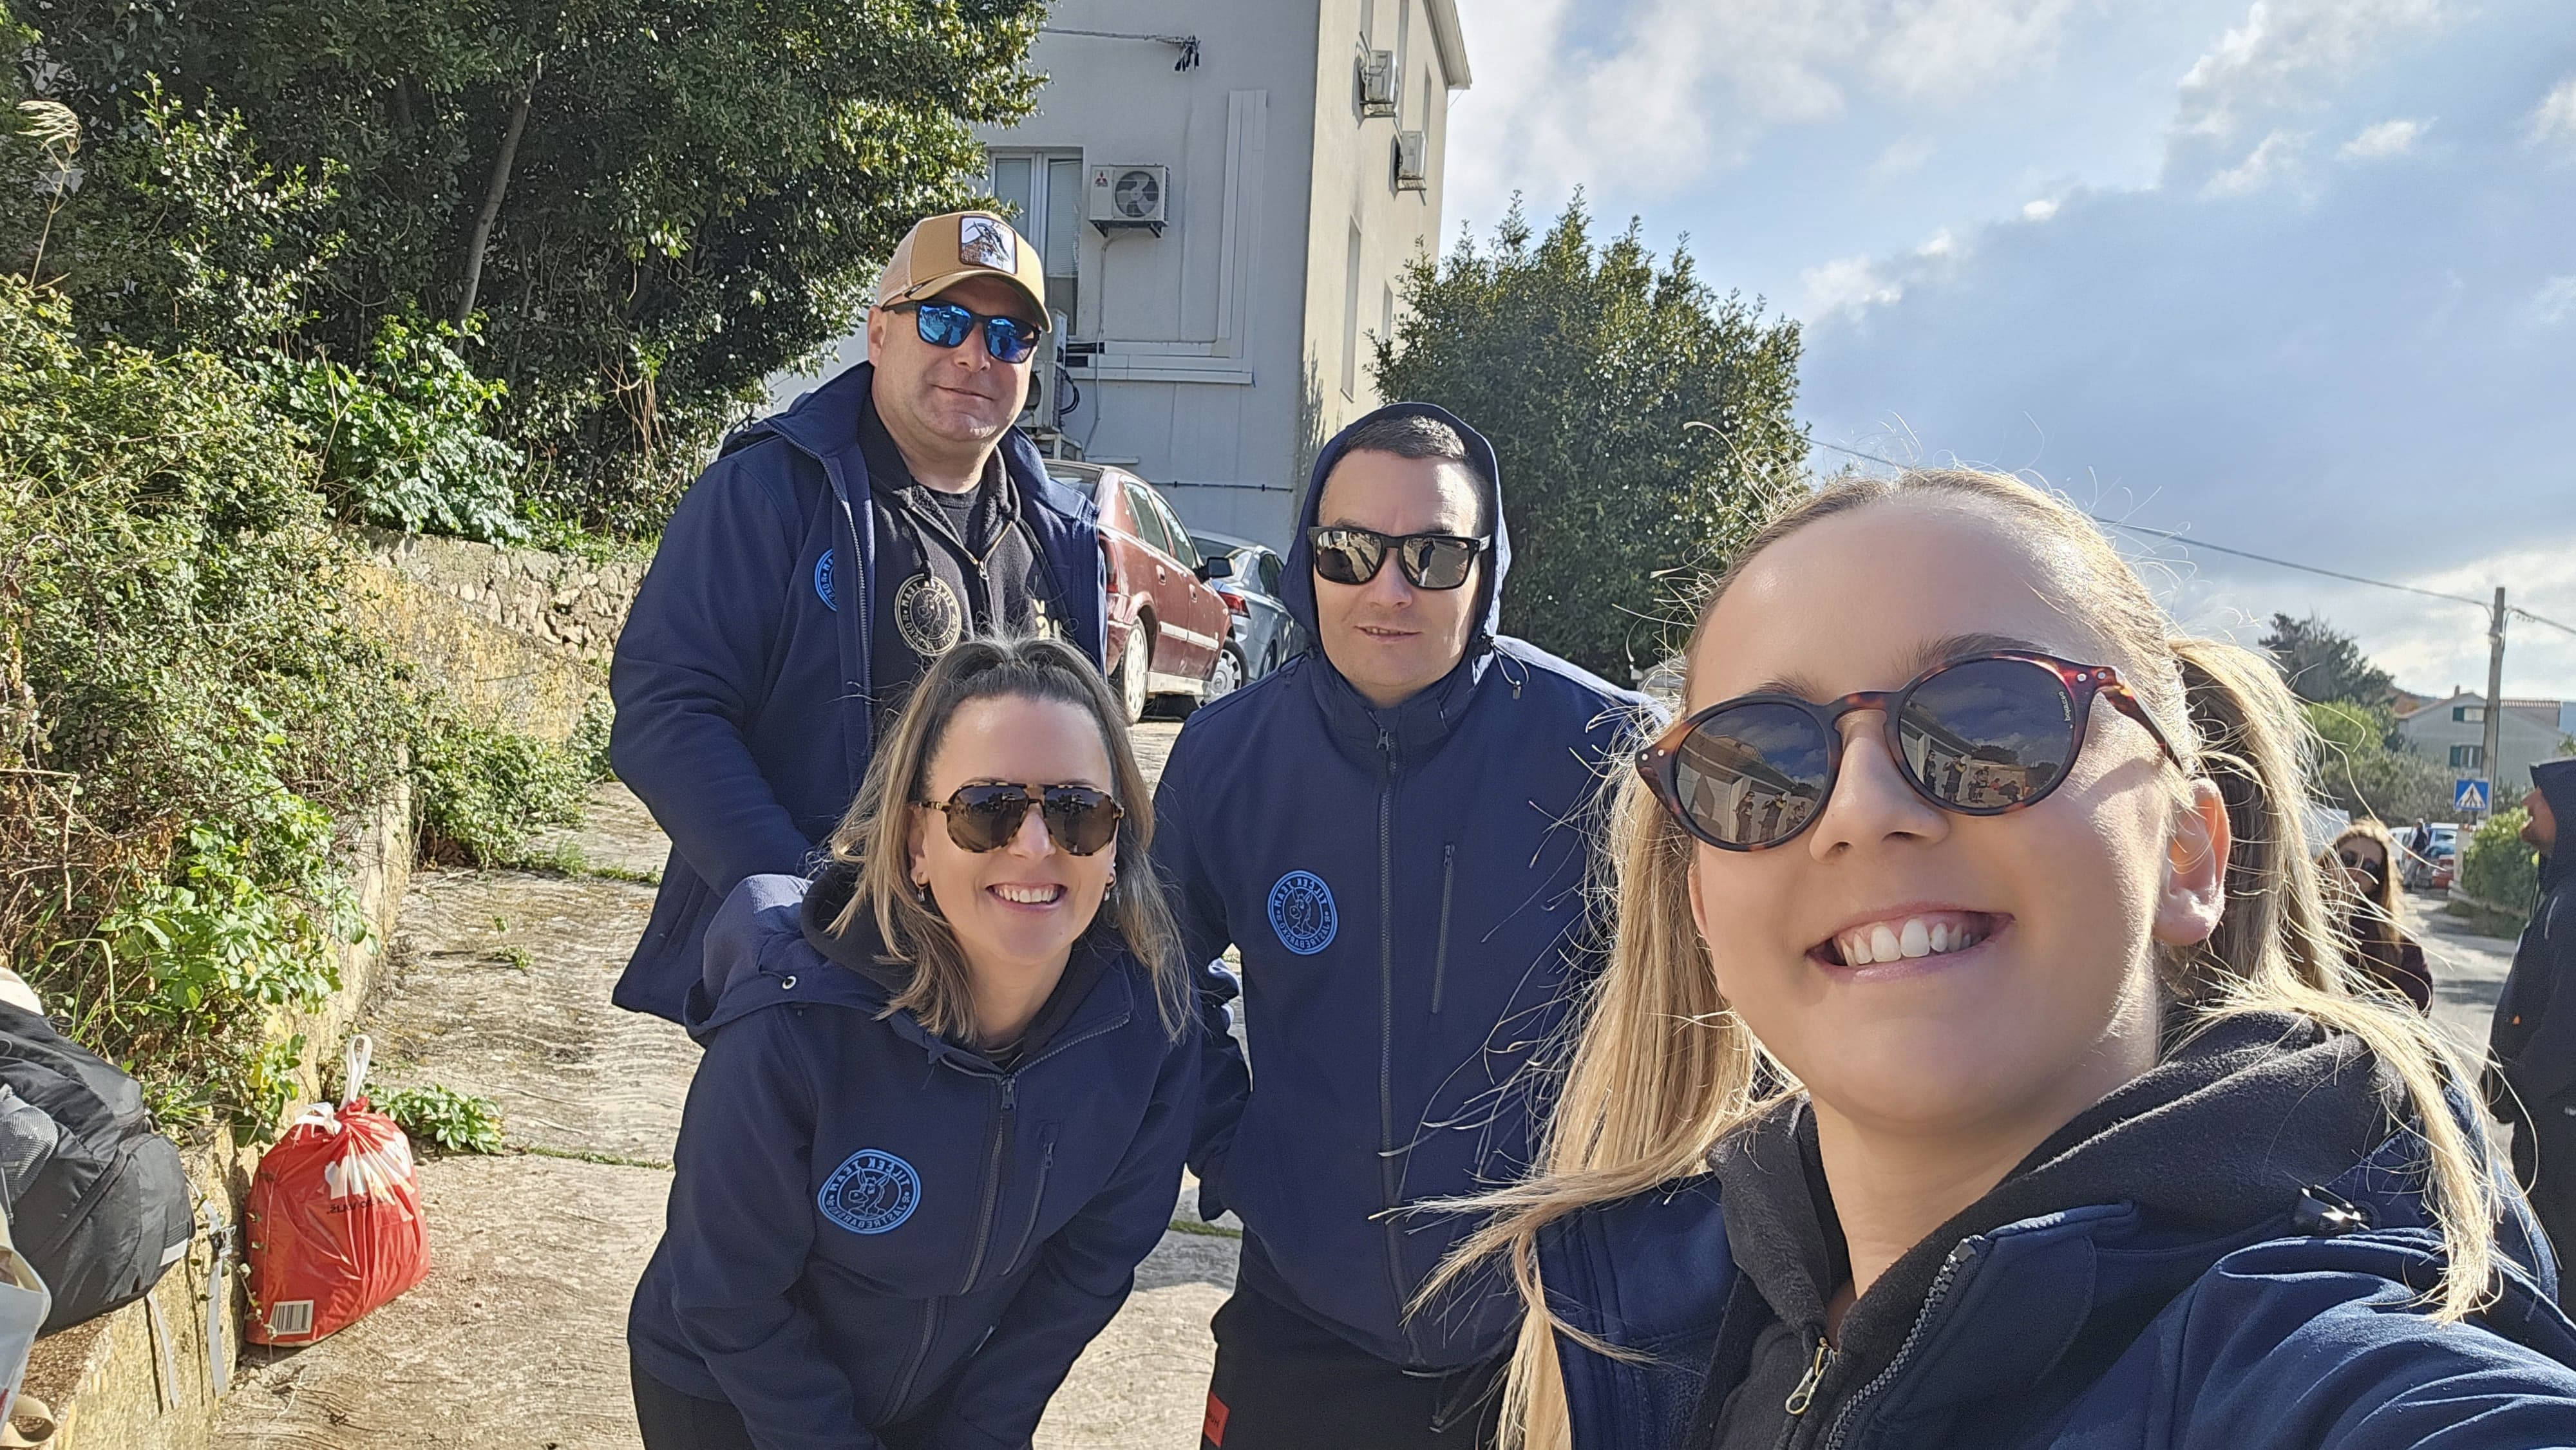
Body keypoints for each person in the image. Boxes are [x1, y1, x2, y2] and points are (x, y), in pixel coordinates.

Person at [1430, 469, 2576, 1450]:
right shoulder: (1637, 1326)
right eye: (1761, 764)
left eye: (1990, 722)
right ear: (1705, 914)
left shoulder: (2332, 1372)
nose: (1861, 808)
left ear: (2188, 853)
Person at [1150, 404, 1653, 1449]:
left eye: (1432, 555)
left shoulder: (1607, 750)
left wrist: (1616, 1208)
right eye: (1349, 552)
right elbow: (1154, 972)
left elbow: (1691, 1013)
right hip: (1302, 1312)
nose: (1388, 588)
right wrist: (1237, 1152)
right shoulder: (1225, 755)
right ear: (1307, 562)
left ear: (1486, 565)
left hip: (1545, 1327)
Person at [626, 635, 1195, 1450]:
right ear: (915, 841)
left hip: (947, 1396)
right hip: (735, 1392)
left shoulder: (1149, 1030)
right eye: (987, 808)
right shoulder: (790, 1026)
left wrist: (982, 1430)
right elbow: (730, 1296)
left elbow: (1090, 1265)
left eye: (1078, 810)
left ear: (1115, 847)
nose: (1036, 845)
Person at [609, 211, 1106, 1022]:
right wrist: (812, 909)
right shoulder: (767, 493)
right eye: (942, 319)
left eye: (1007, 336)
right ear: (879, 333)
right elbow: (666, 711)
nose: (974, 354)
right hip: (807, 983)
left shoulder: (1062, 536)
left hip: (1003, 987)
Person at [2492, 762, 2576, 1258]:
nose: (2527, 802)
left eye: (2540, 793)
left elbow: (2568, 1028)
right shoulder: (2563, 895)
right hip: (2550, 1125)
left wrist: (2516, 1091)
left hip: (2563, 1134)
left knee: (2558, 1264)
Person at [2323, 819, 2433, 1012]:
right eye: (2348, 859)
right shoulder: (2289, 915)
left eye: (2370, 868)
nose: (2356, 871)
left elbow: (2416, 1004)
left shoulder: (2396, 945)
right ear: (2327, 861)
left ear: (2377, 883)